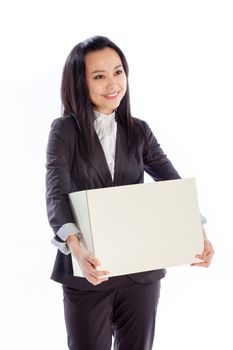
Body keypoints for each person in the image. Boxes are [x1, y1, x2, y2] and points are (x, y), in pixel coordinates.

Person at [46, 35, 214, 350]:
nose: (113, 83)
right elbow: (56, 191)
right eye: (99, 76)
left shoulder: (139, 130)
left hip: (141, 271)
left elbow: (172, 186)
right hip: (89, 268)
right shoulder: (65, 131)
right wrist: (76, 249)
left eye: (118, 72)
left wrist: (197, 232)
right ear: (79, 84)